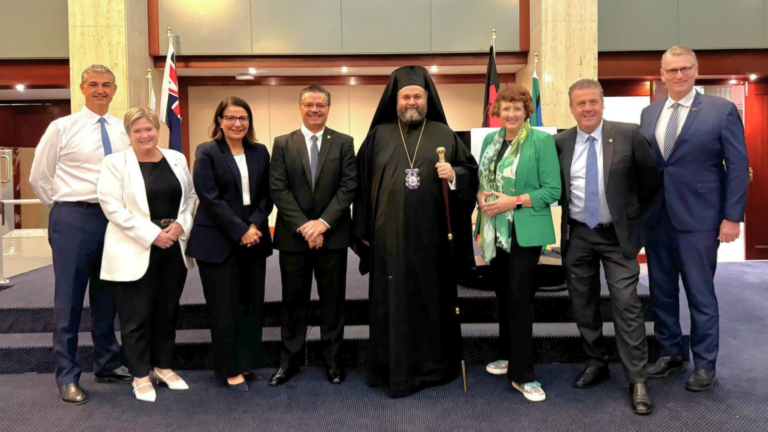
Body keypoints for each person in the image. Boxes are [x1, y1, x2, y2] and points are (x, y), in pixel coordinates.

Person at [352, 66, 478, 398]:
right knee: (392, 303)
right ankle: (390, 368)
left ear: (427, 99)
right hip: (388, 239)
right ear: (395, 101)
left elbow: (470, 172)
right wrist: (363, 229)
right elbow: (359, 185)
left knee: (431, 301)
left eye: (417, 96)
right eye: (406, 96)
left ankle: (433, 368)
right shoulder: (378, 135)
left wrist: (454, 175)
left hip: (432, 239)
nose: (411, 102)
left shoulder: (444, 133)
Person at [640, 46, 749, 392]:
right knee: (661, 292)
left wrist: (732, 217)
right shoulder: (649, 113)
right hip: (657, 219)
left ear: (696, 70)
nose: (679, 75)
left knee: (700, 294)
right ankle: (671, 352)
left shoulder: (721, 110)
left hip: (700, 219)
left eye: (685, 68)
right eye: (672, 70)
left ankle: (705, 363)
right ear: (662, 74)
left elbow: (737, 167)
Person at [555, 79, 662, 414]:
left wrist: (637, 224)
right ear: (571, 108)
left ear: (603, 104)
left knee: (627, 304)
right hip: (578, 235)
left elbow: (651, 182)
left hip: (618, 236)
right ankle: (596, 362)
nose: (587, 108)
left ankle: (638, 379)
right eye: (581, 103)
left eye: (593, 101)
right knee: (583, 303)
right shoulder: (560, 142)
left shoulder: (629, 134)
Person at [30, 64, 131, 404]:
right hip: (74, 217)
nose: (100, 89)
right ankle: (67, 376)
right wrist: (64, 207)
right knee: (69, 299)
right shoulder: (62, 127)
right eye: (93, 84)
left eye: (106, 84)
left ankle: (107, 363)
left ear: (114, 89)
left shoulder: (123, 130)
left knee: (107, 296)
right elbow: (39, 176)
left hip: (114, 220)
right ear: (82, 88)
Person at [97, 108, 197, 402]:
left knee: (167, 312)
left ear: (158, 130)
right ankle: (140, 374)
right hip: (134, 247)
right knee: (135, 316)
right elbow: (112, 207)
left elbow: (191, 198)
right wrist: (153, 234)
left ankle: (163, 367)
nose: (144, 135)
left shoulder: (176, 158)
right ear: (128, 134)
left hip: (173, 248)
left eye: (149, 129)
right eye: (137, 131)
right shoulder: (115, 163)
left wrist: (181, 225)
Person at [476, 84, 561, 402]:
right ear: (497, 111)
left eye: (517, 108)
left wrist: (512, 201)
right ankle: (508, 355)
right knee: (504, 296)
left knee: (520, 301)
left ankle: (524, 375)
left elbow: (552, 191)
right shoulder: (490, 140)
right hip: (494, 231)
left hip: (523, 234)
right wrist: (480, 195)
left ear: (527, 111)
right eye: (506, 107)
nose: (511, 113)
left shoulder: (541, 141)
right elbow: (483, 182)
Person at [268, 86, 357, 386]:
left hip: (333, 237)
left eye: (321, 104)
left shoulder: (344, 142)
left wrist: (323, 224)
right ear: (300, 107)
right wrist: (305, 226)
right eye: (309, 104)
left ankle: (333, 363)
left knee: (333, 303)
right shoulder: (282, 143)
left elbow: (348, 187)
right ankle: (288, 363)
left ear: (329, 108)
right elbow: (278, 188)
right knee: (293, 303)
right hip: (294, 238)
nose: (315, 109)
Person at [186, 97, 273, 391]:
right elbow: (209, 198)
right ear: (220, 121)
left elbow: (267, 194)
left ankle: (246, 362)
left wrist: (254, 225)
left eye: (243, 118)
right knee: (224, 308)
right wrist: (240, 230)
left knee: (251, 305)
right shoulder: (207, 151)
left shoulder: (260, 151)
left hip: (254, 235)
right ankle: (229, 368)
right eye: (231, 118)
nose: (237, 123)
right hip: (218, 237)